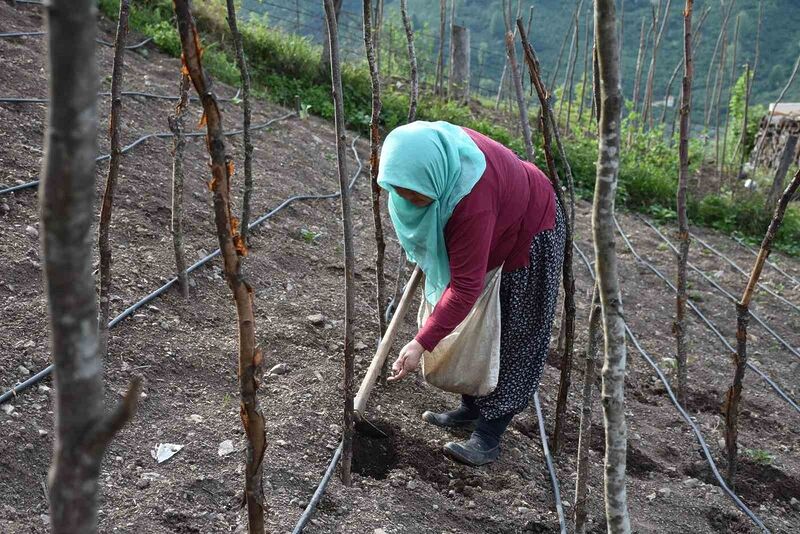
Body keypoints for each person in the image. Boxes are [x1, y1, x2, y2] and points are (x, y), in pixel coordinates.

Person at [377, 120, 565, 467]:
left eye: (416, 193)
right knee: (474, 319)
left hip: (531, 229)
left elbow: (465, 285)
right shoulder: (431, 159)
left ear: (435, 177)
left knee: (514, 330)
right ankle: (469, 409)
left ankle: (489, 435)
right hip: (498, 216)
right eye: (400, 191)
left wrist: (421, 342)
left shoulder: (471, 201)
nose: (408, 200)